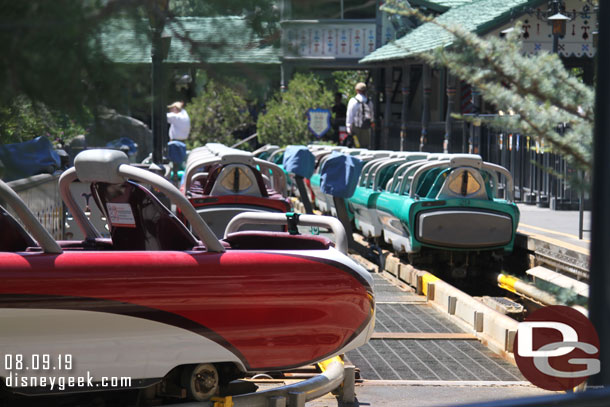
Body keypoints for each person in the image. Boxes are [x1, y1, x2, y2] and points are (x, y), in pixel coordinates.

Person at [345, 82, 374, 149]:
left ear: (357, 90)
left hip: (355, 127)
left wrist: (348, 127)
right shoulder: (369, 102)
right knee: (365, 147)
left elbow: (350, 114)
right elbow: (372, 115)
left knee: (356, 146)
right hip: (366, 127)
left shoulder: (353, 101)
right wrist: (371, 124)